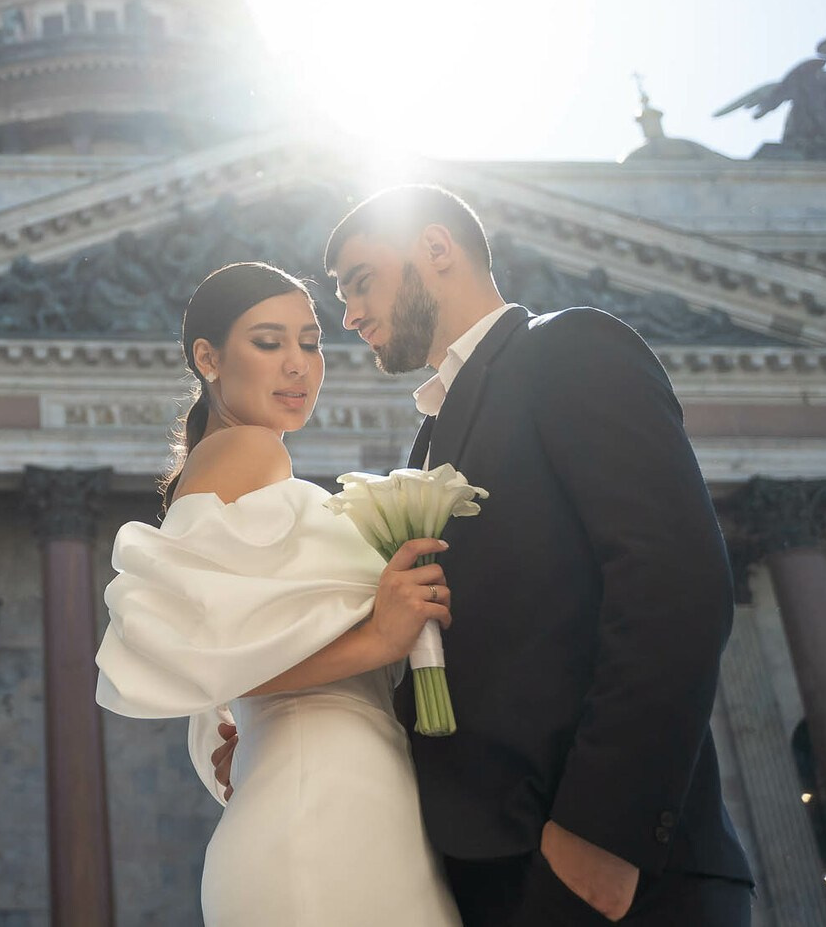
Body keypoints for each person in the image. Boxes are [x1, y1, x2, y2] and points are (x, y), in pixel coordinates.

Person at [215, 185, 754, 926]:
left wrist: (601, 841)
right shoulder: (430, 438)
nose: (347, 316)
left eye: (360, 280)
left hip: (609, 878)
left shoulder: (569, 347)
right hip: (487, 878)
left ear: (436, 249)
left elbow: (675, 582)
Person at [96, 262, 463, 927]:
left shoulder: (234, 460)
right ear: (207, 357)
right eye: (269, 342)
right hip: (323, 806)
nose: (298, 365)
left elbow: (222, 650)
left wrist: (243, 724)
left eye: (311, 341)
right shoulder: (250, 451)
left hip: (326, 793)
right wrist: (380, 637)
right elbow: (191, 649)